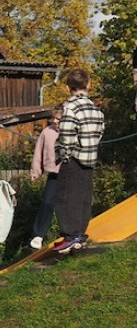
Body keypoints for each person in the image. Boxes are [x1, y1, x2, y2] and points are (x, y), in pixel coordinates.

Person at [52, 69, 106, 254]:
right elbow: (100, 132)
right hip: (90, 158)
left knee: (66, 197)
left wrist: (64, 154)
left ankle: (70, 235)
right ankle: (80, 233)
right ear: (88, 85)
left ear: (68, 88)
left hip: (74, 159)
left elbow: (66, 135)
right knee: (83, 197)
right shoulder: (95, 109)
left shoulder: (71, 107)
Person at [29, 107, 63, 250]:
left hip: (68, 173)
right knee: (47, 203)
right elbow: (38, 153)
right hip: (53, 173)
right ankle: (38, 234)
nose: (55, 121)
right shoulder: (47, 132)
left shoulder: (71, 133)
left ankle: (68, 232)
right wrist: (35, 172)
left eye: (59, 119)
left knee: (67, 204)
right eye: (54, 118)